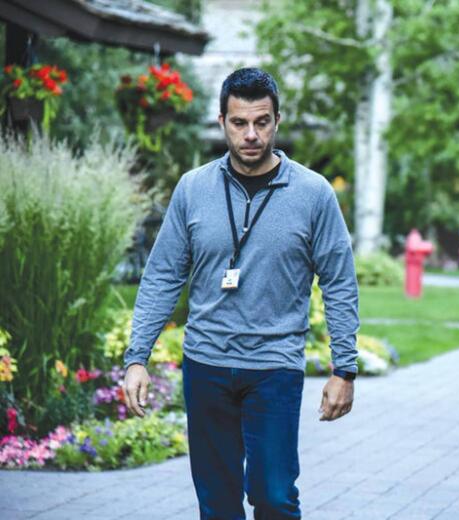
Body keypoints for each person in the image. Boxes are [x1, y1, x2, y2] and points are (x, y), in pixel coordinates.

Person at [122, 68, 359, 520]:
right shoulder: (193, 188)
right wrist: (137, 358)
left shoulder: (313, 193)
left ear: (277, 121)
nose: (251, 134)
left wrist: (344, 368)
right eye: (239, 123)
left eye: (262, 122)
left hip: (274, 367)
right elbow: (163, 275)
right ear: (221, 122)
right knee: (217, 505)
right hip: (206, 364)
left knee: (274, 497)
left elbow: (339, 282)